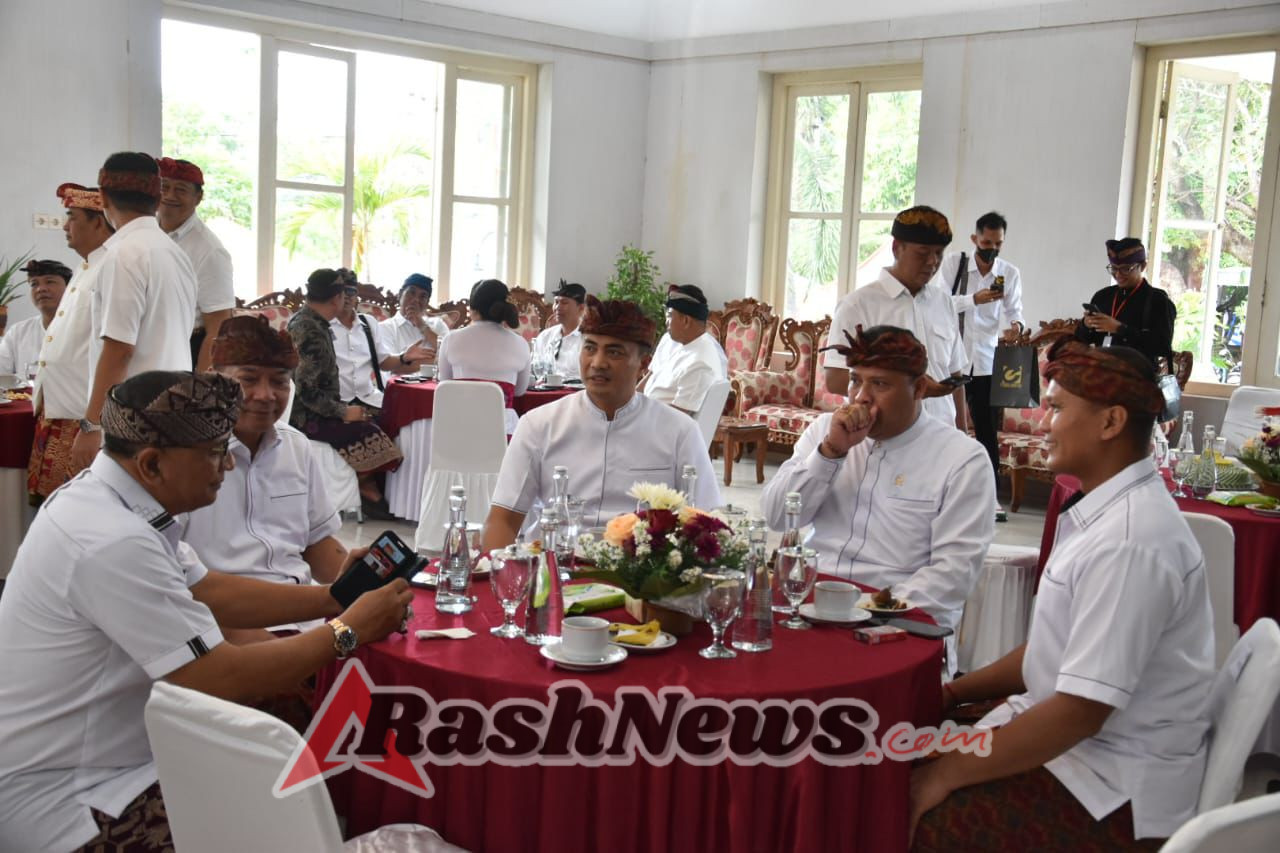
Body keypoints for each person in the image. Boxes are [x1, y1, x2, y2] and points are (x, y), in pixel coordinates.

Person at [0, 370, 412, 853]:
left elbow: (210, 589)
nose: (228, 466)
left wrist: (333, 597)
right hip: (75, 794)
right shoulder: (109, 540)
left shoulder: (117, 498)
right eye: (216, 452)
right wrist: (347, 631)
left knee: (318, 718)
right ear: (153, 463)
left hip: (124, 746)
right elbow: (218, 676)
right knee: (282, 817)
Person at [909, 340, 1213, 851]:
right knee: (884, 755)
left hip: (1109, 790)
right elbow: (1060, 651)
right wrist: (955, 693)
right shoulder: (1107, 508)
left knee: (897, 800)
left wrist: (945, 776)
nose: (1042, 421)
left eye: (1056, 407)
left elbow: (1080, 711)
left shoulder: (1130, 542)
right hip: (1080, 751)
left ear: (1111, 422)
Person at [761, 324, 993, 673]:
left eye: (880, 384)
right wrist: (831, 453)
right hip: (809, 609)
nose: (860, 397)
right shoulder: (825, 432)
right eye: (856, 380)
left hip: (899, 627)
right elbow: (778, 516)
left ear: (921, 390)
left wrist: (861, 609)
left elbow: (952, 575)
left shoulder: (962, 459)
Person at [483, 296, 721, 550]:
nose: (597, 363)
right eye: (590, 348)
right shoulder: (539, 425)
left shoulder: (679, 431)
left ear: (643, 364)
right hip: (554, 567)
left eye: (614, 352)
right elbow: (504, 519)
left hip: (640, 575)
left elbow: (706, 519)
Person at [181, 316, 347, 616]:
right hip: (220, 619)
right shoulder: (182, 456)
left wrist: (359, 586)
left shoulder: (296, 446)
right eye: (248, 379)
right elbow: (177, 583)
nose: (266, 395)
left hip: (303, 614)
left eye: (279, 381)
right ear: (211, 377)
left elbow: (316, 542)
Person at [71, 151, 198, 473]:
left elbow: (119, 349)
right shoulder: (173, 252)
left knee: (125, 515)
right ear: (157, 197)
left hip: (132, 419)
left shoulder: (124, 254)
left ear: (101, 198)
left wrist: (91, 425)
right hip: (172, 408)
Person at [823, 206, 969, 428]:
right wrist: (910, 387)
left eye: (939, 253)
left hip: (941, 435)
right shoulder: (858, 305)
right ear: (896, 248)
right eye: (922, 253)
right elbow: (835, 379)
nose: (932, 262)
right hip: (881, 434)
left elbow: (955, 375)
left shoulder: (945, 303)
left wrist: (962, 434)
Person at [287, 268, 404, 513]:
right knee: (374, 435)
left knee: (382, 422)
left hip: (322, 409)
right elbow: (307, 391)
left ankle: (367, 489)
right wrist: (343, 412)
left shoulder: (313, 322)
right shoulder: (311, 332)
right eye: (345, 294)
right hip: (307, 417)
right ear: (335, 299)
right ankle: (364, 487)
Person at [27, 184, 114, 504]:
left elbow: (113, 349)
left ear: (98, 222)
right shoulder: (86, 266)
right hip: (58, 413)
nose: (65, 226)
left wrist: (92, 425)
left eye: (72, 217)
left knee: (75, 508)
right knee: (49, 507)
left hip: (81, 418)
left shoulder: (111, 266)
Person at [941, 211, 1025, 522]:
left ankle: (991, 498)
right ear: (975, 239)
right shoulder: (955, 264)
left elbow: (1015, 310)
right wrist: (972, 300)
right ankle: (948, 495)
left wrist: (1016, 325)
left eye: (998, 243)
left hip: (987, 360)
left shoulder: (1009, 273)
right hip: (952, 359)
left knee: (987, 431)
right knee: (949, 425)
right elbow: (938, 302)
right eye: (986, 242)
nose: (991, 248)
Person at [156, 157, 235, 371]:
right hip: (148, 349)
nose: (170, 196)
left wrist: (200, 386)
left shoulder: (209, 251)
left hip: (184, 352)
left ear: (198, 197)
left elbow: (218, 328)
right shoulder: (148, 233)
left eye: (181, 190)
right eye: (165, 187)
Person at [436, 278, 532, 434]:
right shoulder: (521, 344)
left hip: (457, 430)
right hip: (501, 432)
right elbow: (520, 391)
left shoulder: (451, 340)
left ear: (472, 309)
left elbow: (445, 385)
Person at [330, 270, 431, 412]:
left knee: (403, 417)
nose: (346, 297)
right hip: (336, 403)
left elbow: (383, 363)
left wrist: (404, 357)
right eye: (341, 292)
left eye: (351, 291)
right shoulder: (323, 325)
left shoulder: (369, 323)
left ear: (356, 296)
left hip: (369, 399)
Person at [1074, 237, 1176, 371]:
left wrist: (1120, 329)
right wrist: (1086, 325)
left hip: (1138, 377)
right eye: (1114, 269)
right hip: (1101, 373)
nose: (1118, 274)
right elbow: (1082, 340)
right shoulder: (1102, 296)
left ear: (1143, 266)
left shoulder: (1158, 301)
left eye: (1126, 269)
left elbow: (1163, 347)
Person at [640, 284, 728, 415]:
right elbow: (650, 377)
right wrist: (627, 404)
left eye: (670, 316)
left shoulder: (701, 362)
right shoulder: (668, 340)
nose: (666, 322)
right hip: (643, 413)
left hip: (660, 428)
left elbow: (679, 418)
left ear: (686, 320)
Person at [0, 259, 70, 378]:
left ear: (70, 288)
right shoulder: (18, 332)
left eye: (50, 281)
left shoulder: (87, 329)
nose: (40, 289)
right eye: (34, 284)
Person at [379, 273, 450, 379]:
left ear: (427, 303)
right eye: (411, 293)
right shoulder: (384, 328)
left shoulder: (438, 324)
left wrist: (422, 325)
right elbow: (393, 368)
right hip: (401, 390)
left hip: (436, 390)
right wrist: (438, 360)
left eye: (423, 296)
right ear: (400, 295)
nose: (416, 300)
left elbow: (450, 355)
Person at [530, 280, 586, 381]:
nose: (557, 307)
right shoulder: (545, 336)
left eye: (564, 303)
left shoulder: (587, 337)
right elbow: (534, 369)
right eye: (556, 302)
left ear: (581, 308)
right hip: (546, 391)